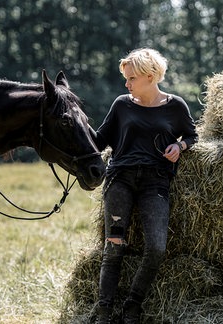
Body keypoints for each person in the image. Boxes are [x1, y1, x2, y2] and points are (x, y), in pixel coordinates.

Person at [92, 48, 198, 323]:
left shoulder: (176, 106)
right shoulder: (121, 104)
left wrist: (180, 144)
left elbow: (192, 134)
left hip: (156, 183)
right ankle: (104, 310)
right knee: (114, 246)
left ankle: (132, 304)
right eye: (126, 79)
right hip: (120, 181)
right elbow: (99, 140)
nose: (126, 84)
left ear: (150, 77)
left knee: (157, 249)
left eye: (131, 79)